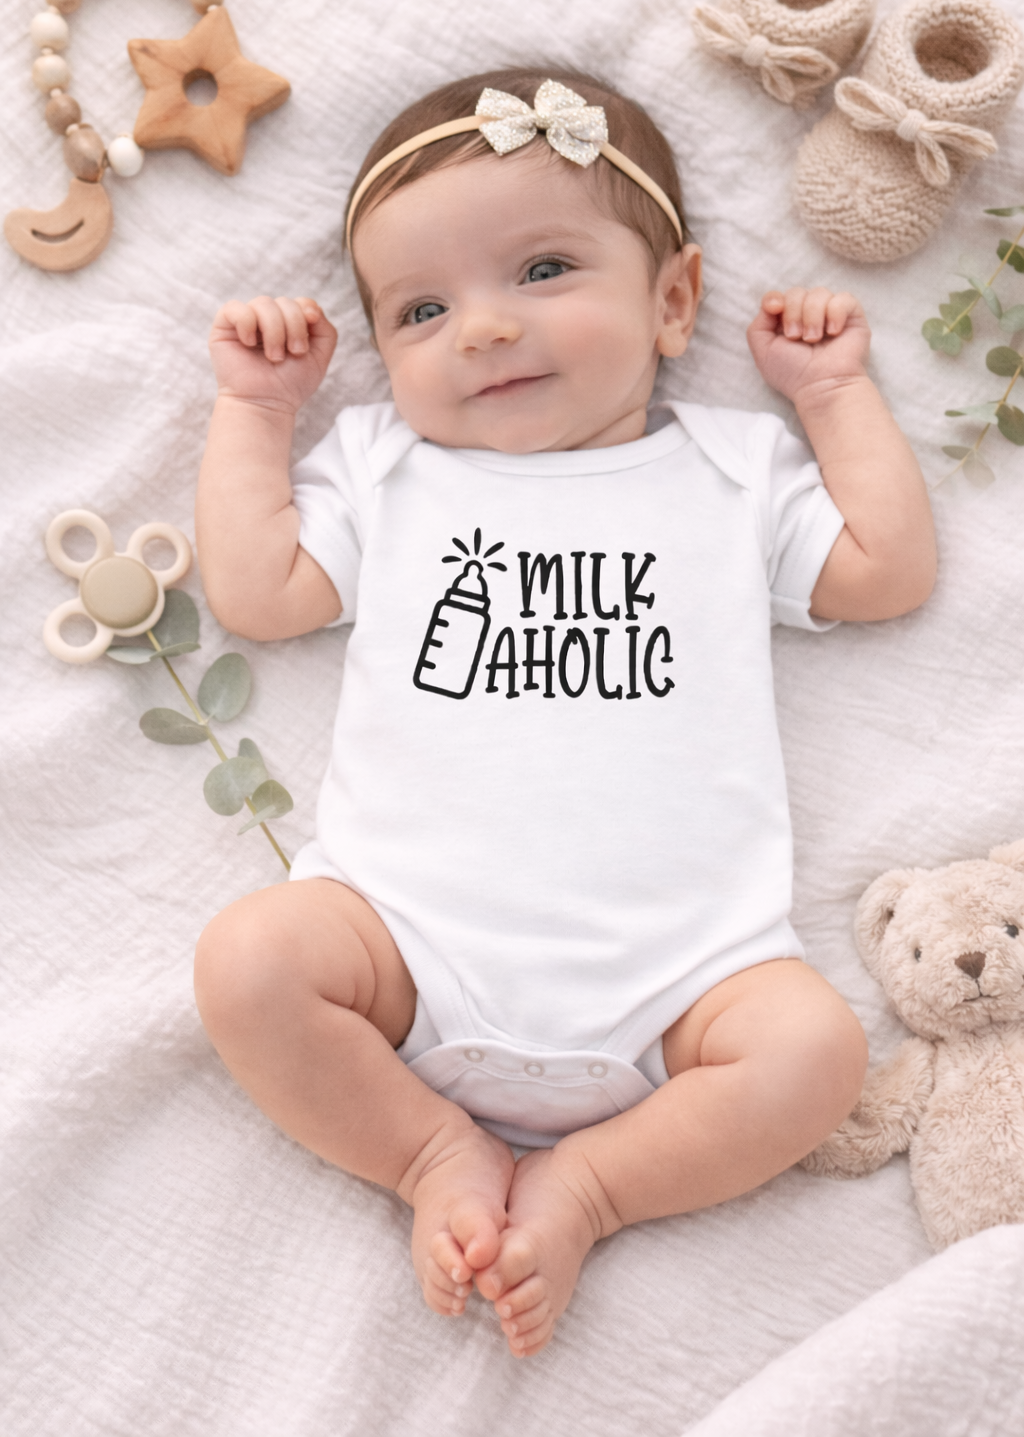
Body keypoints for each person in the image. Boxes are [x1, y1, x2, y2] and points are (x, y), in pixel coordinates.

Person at [192, 68, 936, 1358]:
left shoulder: (728, 471)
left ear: (674, 302)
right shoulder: (390, 467)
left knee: (814, 1055)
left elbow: (886, 569)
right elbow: (260, 595)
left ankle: (590, 1189)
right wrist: (257, 415)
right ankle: (434, 1154)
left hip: (684, 985)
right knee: (249, 962)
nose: (481, 328)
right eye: (422, 309)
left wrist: (831, 400)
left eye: (541, 270)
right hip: (405, 949)